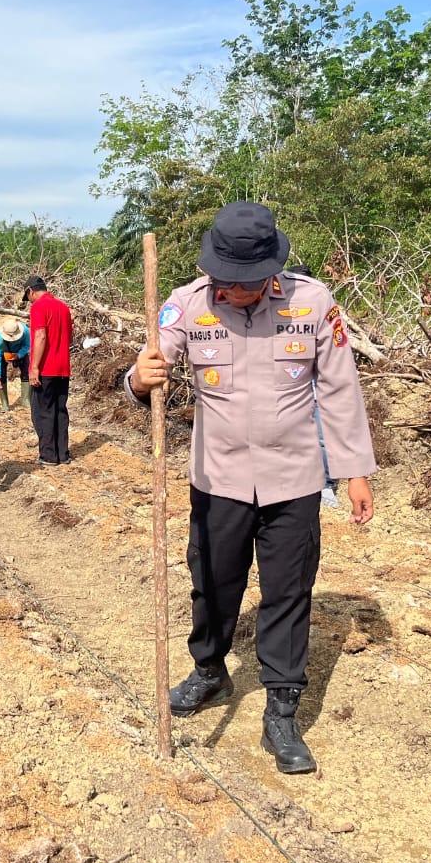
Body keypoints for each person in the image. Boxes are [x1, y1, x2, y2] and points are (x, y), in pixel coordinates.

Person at [126, 201, 376, 774]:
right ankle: (210, 671)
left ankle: (281, 710)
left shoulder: (312, 303)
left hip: (295, 479)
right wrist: (139, 379)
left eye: (245, 283)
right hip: (218, 477)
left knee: (289, 590)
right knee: (211, 581)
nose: (232, 292)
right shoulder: (185, 305)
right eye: (224, 281)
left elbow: (338, 389)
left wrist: (353, 469)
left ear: (270, 271)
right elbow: (147, 370)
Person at [285, 264, 340, 508]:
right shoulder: (279, 311)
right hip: (291, 386)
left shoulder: (321, 307)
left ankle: (326, 486)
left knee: (321, 436)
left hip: (315, 384)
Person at [22, 275, 74, 465]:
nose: (29, 302)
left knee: (42, 412)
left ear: (30, 291)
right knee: (60, 410)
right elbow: (69, 336)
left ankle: (49, 455)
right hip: (63, 368)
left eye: (28, 297)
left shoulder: (38, 307)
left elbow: (41, 336)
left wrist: (34, 366)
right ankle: (63, 454)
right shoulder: (63, 307)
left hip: (46, 368)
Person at [0, 317, 31, 412]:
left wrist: (19, 355)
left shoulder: (25, 331)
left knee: (26, 372)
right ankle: (5, 404)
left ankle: (26, 400)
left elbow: (27, 345)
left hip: (20, 352)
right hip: (4, 353)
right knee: (1, 377)